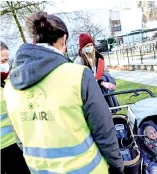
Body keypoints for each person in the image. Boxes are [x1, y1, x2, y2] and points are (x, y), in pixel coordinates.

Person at [3, 12, 124, 174]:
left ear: (34, 40)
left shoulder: (10, 86)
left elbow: (20, 140)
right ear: (64, 40)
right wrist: (117, 165)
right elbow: (104, 131)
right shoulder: (78, 75)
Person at [0, 42, 30, 174]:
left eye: (7, 60)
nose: (6, 64)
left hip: (17, 144)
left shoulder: (8, 83)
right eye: (3, 61)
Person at [75, 33, 120, 113]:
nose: (90, 47)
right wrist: (101, 82)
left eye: (91, 45)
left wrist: (106, 81)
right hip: (90, 95)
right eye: (87, 46)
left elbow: (104, 71)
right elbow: (83, 80)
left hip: (103, 92)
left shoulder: (99, 57)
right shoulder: (79, 61)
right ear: (82, 47)